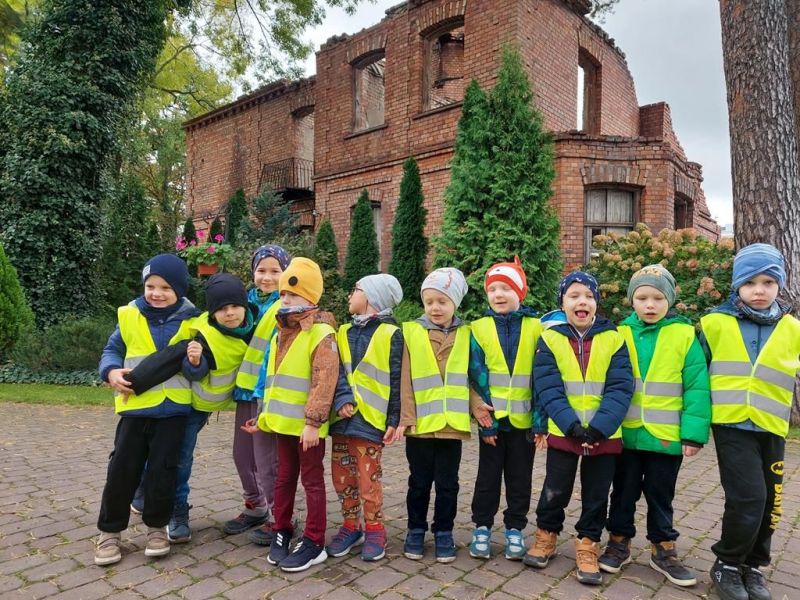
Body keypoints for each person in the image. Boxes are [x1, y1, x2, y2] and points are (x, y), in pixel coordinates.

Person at [599, 265, 710, 587]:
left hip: (666, 436)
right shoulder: (619, 334)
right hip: (627, 434)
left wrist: (693, 434)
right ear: (631, 300)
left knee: (661, 494)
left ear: (670, 300)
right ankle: (618, 540)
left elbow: (697, 386)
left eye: (658, 298)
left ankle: (663, 547)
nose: (650, 305)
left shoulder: (684, 335)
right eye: (642, 298)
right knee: (623, 492)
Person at [701, 243, 800, 600]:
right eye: (750, 282)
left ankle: (753, 566)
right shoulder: (714, 323)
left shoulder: (793, 328)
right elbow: (696, 377)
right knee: (749, 497)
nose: (759, 290)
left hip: (772, 426)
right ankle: (727, 564)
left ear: (780, 285)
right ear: (737, 285)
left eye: (768, 282)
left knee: (772, 502)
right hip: (732, 425)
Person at [526, 271, 633, 586]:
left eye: (588, 296)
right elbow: (548, 387)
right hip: (564, 431)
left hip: (604, 434)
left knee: (597, 494)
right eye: (573, 296)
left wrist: (600, 427)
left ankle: (588, 543)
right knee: (555, 488)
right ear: (562, 303)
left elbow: (621, 387)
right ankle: (546, 534)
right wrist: (570, 425)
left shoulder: (615, 338)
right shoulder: (550, 339)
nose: (581, 301)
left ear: (597, 303)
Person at [94, 254, 198, 566]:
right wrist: (110, 371)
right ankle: (109, 532)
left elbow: (200, 368)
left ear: (179, 289)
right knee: (121, 470)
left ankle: (156, 529)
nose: (156, 293)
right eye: (150, 286)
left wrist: (196, 362)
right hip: (135, 409)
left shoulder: (194, 322)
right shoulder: (129, 315)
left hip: (172, 411)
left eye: (165, 287)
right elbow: (112, 349)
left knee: (163, 472)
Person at [259, 257, 340, 572]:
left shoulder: (321, 332)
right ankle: (281, 529)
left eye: (292, 294)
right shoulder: (281, 330)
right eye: (282, 294)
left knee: (312, 480)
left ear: (310, 296)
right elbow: (276, 377)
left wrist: (313, 422)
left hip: (307, 427)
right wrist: (264, 415)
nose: (285, 299)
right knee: (284, 477)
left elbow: (324, 380)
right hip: (283, 423)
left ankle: (315, 541)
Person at [172, 273, 259, 541]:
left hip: (225, 402)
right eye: (221, 309)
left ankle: (261, 506)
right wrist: (195, 361)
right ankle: (176, 510)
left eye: (234, 306)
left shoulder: (256, 327)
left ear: (245, 304)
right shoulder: (204, 334)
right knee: (181, 457)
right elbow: (191, 372)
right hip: (191, 405)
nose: (229, 313)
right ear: (212, 312)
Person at [398, 267, 476, 563]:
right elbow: (405, 380)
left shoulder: (467, 334)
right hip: (419, 425)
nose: (435, 308)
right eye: (429, 302)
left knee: (448, 484)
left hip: (451, 425)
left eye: (442, 301)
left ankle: (444, 531)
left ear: (455, 303)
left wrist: (476, 405)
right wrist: (406, 417)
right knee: (418, 482)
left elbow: (472, 376)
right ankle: (415, 529)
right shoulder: (411, 332)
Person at [326, 274, 404, 562]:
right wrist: (341, 399)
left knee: (368, 480)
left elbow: (396, 379)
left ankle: (374, 529)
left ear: (371, 297)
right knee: (341, 477)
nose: (350, 295)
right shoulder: (342, 332)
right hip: (341, 420)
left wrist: (394, 419)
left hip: (371, 421)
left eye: (355, 290)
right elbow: (336, 371)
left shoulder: (391, 334)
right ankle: (350, 526)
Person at [468, 257, 541, 561]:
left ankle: (514, 529)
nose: (498, 294)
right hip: (492, 422)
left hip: (524, 424)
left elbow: (542, 377)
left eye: (506, 288)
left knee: (520, 479)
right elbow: (476, 372)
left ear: (519, 292)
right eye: (492, 289)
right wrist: (486, 422)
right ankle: (482, 528)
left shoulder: (537, 327)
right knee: (487, 478)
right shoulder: (478, 328)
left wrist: (540, 422)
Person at [224, 244, 291, 543]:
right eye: (261, 270)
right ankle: (255, 506)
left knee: (268, 460)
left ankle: (281, 517)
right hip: (245, 390)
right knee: (242, 456)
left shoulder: (287, 305)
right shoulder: (242, 303)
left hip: (269, 393)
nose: (267, 277)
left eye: (275, 271)